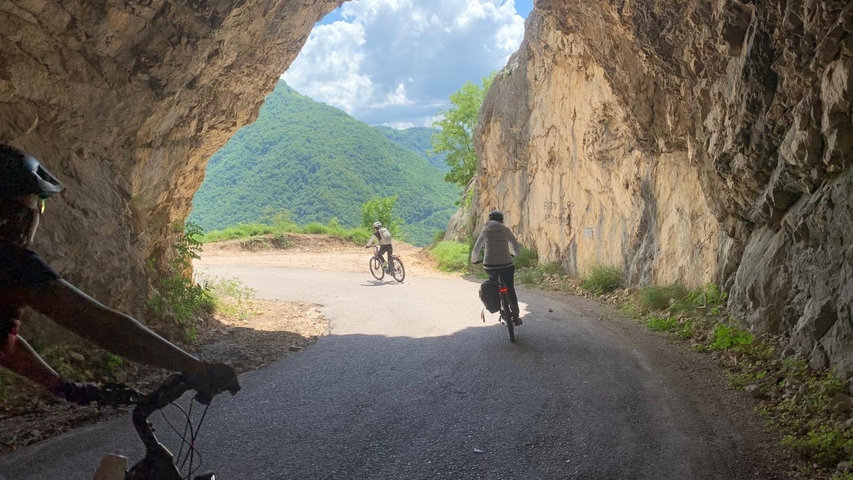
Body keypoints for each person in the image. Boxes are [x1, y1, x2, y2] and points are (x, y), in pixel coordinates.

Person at [0, 144, 239, 403]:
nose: (29, 220)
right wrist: (196, 368)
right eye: (31, 209)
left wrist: (62, 387)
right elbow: (101, 326)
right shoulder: (11, 263)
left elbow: (5, 343)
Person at [470, 210, 522, 325]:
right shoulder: (506, 230)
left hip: (490, 266)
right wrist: (514, 254)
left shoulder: (486, 230)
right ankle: (516, 316)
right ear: (501, 220)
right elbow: (516, 247)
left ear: (489, 220)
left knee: (494, 284)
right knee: (510, 288)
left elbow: (477, 248)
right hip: (506, 265)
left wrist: (474, 261)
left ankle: (497, 304)